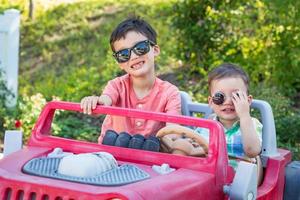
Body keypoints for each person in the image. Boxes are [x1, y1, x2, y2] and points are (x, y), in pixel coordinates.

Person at [80, 16, 181, 144]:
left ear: (155, 50)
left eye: (140, 48)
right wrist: (95, 103)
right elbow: (105, 101)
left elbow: (173, 132)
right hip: (113, 154)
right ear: (119, 63)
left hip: (151, 159)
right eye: (123, 55)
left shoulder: (170, 93)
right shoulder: (116, 86)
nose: (133, 56)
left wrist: (171, 140)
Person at [195, 63, 263, 174]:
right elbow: (193, 148)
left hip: (238, 182)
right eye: (220, 96)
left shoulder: (251, 124)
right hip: (207, 176)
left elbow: (252, 151)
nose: (227, 102)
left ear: (248, 100)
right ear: (211, 102)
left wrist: (245, 115)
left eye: (236, 96)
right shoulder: (206, 126)